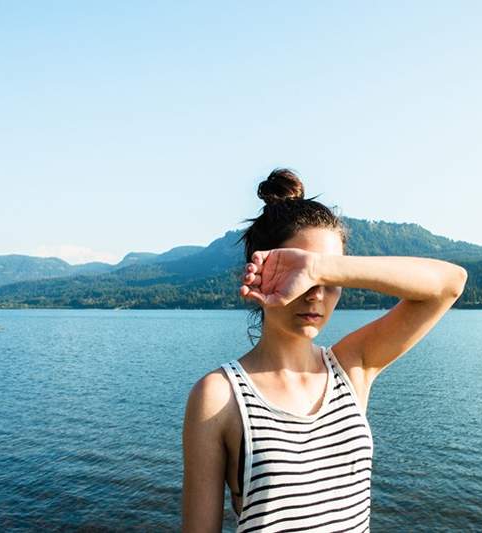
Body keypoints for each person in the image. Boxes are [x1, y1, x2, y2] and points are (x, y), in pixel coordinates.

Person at [182, 168, 467, 532]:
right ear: (261, 269)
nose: (316, 293)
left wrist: (319, 266)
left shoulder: (351, 368)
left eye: (329, 281)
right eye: (296, 275)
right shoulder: (219, 396)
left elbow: (450, 284)